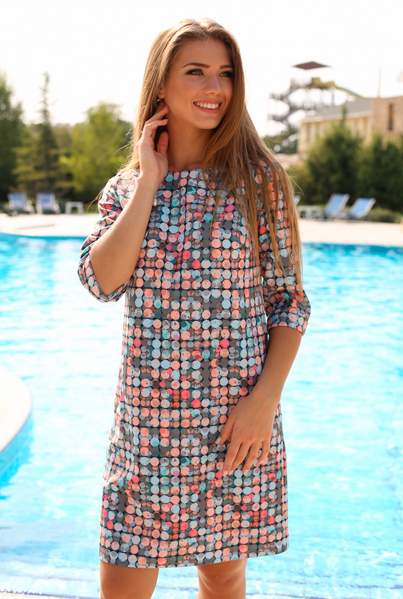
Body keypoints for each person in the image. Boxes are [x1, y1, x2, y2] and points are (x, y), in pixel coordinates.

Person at [77, 17, 312, 599]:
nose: (215, 88)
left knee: (224, 578)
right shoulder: (126, 188)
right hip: (147, 427)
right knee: (122, 576)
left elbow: (288, 303)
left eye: (225, 74)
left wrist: (263, 403)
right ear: (161, 83)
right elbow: (102, 282)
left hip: (235, 419)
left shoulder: (260, 181)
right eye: (196, 72)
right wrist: (149, 182)